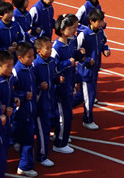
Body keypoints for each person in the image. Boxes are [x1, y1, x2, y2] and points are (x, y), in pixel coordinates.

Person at [76, 9, 110, 130]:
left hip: (95, 68)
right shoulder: (83, 35)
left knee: (84, 94)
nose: (102, 23)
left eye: (102, 21)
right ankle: (87, 119)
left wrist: (106, 50)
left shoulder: (101, 32)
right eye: (100, 21)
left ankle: (65, 108)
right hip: (86, 70)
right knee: (89, 96)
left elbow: (104, 43)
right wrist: (86, 61)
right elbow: (76, 53)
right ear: (91, 21)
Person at [51, 13, 79, 154]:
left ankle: (61, 135)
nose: (74, 30)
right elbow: (53, 68)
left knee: (67, 114)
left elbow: (73, 59)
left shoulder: (70, 42)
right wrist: (67, 63)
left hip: (69, 83)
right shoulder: (57, 47)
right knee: (64, 116)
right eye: (71, 28)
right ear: (62, 30)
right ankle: (59, 143)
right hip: (61, 87)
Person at [12, 42, 38, 177]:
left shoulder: (31, 67)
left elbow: (33, 84)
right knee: (22, 137)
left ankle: (24, 165)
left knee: (28, 137)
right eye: (29, 56)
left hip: (30, 109)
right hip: (20, 111)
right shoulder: (16, 71)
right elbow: (10, 91)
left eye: (33, 56)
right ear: (20, 58)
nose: (32, 58)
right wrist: (22, 95)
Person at [32, 37, 56, 168]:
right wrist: (39, 86)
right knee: (42, 130)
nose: (50, 50)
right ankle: (42, 156)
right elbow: (31, 82)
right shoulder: (35, 65)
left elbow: (53, 76)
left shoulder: (51, 61)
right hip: (40, 103)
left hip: (49, 100)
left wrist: (58, 80)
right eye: (47, 48)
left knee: (45, 127)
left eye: (51, 47)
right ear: (39, 51)